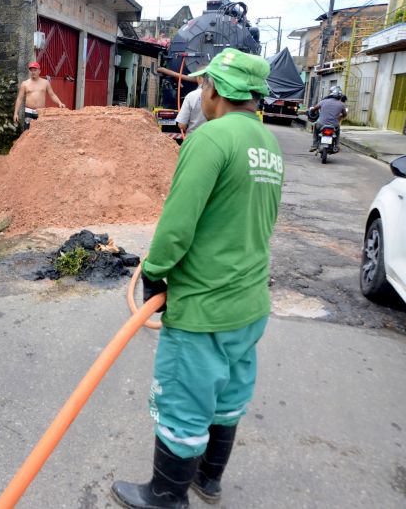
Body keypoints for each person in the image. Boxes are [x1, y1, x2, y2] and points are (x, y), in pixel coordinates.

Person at [111, 48, 283, 509]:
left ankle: (166, 496)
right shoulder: (267, 143)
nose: (200, 90)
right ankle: (208, 481)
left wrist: (154, 273)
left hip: (204, 304)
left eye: (204, 84)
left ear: (217, 90)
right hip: (249, 304)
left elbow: (177, 223)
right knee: (228, 395)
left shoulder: (210, 139)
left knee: (184, 402)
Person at [12, 61, 66, 130]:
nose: (33, 72)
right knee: (27, 132)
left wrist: (60, 103)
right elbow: (19, 98)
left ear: (39, 71)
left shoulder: (45, 83)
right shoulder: (25, 84)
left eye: (35, 70)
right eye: (31, 70)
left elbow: (52, 95)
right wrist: (15, 113)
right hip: (28, 112)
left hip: (41, 112)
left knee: (40, 131)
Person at [309, 86, 348, 152]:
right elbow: (344, 114)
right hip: (334, 125)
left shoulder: (323, 101)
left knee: (315, 126)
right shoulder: (342, 105)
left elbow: (314, 109)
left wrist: (312, 110)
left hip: (321, 124)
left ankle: (314, 145)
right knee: (337, 131)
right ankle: (337, 145)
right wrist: (341, 116)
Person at [175, 66, 207, 136]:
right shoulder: (220, 96)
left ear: (199, 78)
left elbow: (181, 125)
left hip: (193, 139)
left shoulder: (191, 96)